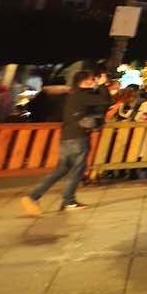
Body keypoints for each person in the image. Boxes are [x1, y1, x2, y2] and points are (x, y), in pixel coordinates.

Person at [19, 62, 110, 215]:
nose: (94, 81)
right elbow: (105, 101)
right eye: (92, 79)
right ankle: (69, 201)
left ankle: (33, 196)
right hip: (79, 138)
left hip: (66, 137)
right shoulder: (84, 95)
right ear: (85, 81)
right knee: (77, 170)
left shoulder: (73, 96)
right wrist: (102, 85)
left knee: (61, 169)